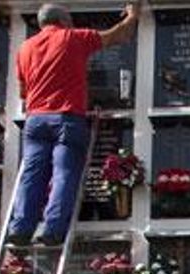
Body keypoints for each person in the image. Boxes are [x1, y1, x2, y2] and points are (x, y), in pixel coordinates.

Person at [8, 2, 139, 246]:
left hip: (35, 120)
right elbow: (118, 36)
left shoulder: (24, 48)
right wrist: (133, 16)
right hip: (66, 118)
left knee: (31, 175)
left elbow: (23, 93)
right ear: (65, 21)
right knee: (63, 172)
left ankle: (20, 228)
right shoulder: (72, 38)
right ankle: (53, 229)